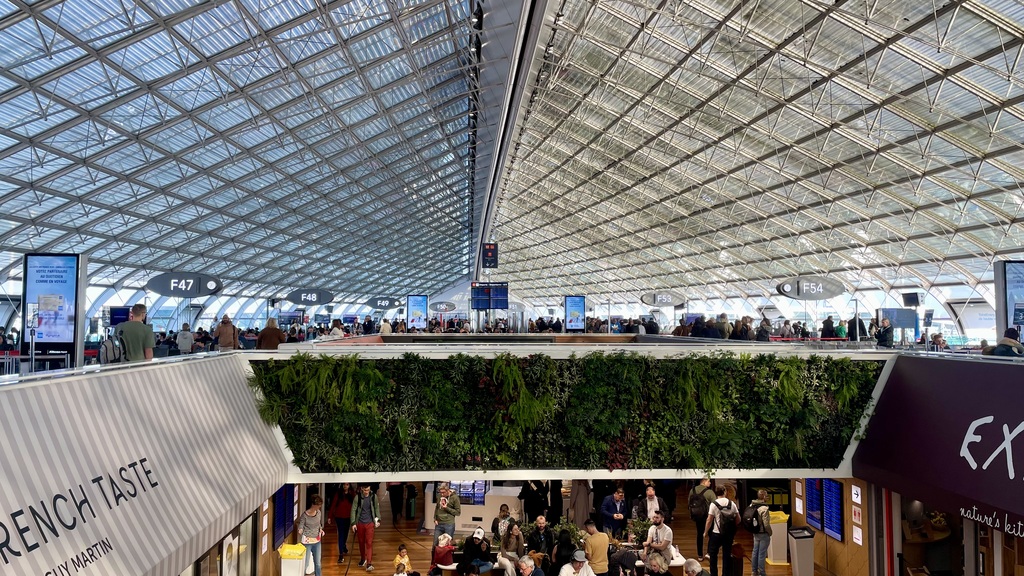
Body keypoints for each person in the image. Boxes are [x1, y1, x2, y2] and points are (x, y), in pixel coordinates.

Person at [704, 486, 737, 576]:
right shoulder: (732, 503)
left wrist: (705, 532)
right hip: (728, 534)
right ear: (725, 492)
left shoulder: (713, 504)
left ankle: (714, 574)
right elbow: (738, 519)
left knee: (713, 555)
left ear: (715, 493)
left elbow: (709, 520)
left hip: (716, 533)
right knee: (726, 555)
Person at [351, 484, 382, 572]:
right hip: (360, 523)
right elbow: (353, 510)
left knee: (369, 543)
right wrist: (353, 523)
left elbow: (376, 508)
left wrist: (378, 519)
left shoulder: (373, 497)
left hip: (370, 523)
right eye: (365, 490)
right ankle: (362, 559)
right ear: (362, 489)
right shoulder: (357, 498)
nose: (366, 492)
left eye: (368, 490)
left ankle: (369, 563)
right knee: (361, 542)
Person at [297, 495, 326, 576]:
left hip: (317, 541)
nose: (320, 507)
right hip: (307, 542)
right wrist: (300, 530)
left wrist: (321, 529)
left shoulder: (319, 513)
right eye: (319, 505)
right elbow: (301, 525)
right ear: (314, 505)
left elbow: (319, 524)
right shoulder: (304, 515)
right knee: (305, 564)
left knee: (318, 563)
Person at [688, 478, 714, 561]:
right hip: (708, 516)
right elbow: (715, 504)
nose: (710, 483)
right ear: (704, 481)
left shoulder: (692, 491)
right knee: (711, 534)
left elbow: (689, 503)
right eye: (709, 481)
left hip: (697, 516)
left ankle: (700, 555)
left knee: (699, 534)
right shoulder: (709, 492)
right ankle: (709, 553)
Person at [329, 483, 356, 563]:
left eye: (347, 485)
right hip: (339, 517)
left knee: (346, 533)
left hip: (348, 517)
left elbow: (355, 506)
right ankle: (341, 554)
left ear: (349, 485)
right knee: (341, 534)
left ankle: (343, 546)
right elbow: (333, 505)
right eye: (344, 484)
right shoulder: (338, 493)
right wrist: (330, 516)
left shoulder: (352, 494)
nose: (345, 486)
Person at [642, 510, 673, 576]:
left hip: (664, 553)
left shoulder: (668, 531)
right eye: (654, 517)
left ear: (662, 519)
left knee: (655, 561)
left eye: (657, 518)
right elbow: (648, 542)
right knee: (642, 554)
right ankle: (646, 573)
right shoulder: (652, 528)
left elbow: (662, 547)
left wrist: (650, 544)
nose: (655, 519)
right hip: (655, 552)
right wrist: (644, 553)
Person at [749, 490, 772, 576]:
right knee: (762, 554)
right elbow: (766, 524)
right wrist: (770, 532)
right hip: (763, 533)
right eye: (766, 496)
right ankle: (762, 573)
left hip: (755, 532)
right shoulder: (764, 508)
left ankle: (754, 571)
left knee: (755, 552)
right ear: (764, 497)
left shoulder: (752, 505)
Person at [433, 482, 461, 547]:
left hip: (449, 524)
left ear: (448, 490)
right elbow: (437, 507)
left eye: (443, 492)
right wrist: (435, 518)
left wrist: (446, 508)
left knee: (447, 545)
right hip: (439, 523)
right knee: (435, 544)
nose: (442, 494)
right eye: (440, 492)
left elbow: (458, 512)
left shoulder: (455, 498)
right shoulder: (439, 496)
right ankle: (435, 557)